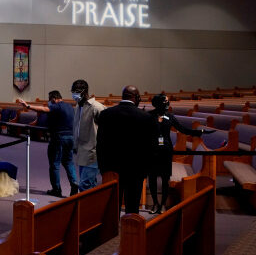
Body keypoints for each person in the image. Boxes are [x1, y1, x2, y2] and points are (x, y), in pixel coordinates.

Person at [147, 94, 214, 214]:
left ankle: (162, 205)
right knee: (151, 178)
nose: (168, 104)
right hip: (152, 151)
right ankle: (155, 203)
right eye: (165, 102)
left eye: (168, 102)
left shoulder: (170, 117)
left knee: (165, 178)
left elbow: (183, 129)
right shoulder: (149, 115)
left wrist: (200, 132)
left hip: (166, 151)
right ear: (158, 103)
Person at [97, 85, 157, 214]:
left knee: (112, 206)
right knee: (132, 207)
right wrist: (145, 170)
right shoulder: (146, 117)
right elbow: (150, 147)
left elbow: (100, 143)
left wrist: (103, 168)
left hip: (111, 169)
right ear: (135, 97)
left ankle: (112, 232)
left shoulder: (106, 114)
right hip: (136, 170)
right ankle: (131, 232)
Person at [17, 90, 79, 197]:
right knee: (69, 162)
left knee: (55, 164)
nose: (49, 102)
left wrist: (28, 106)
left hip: (58, 138)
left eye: (50, 100)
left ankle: (56, 189)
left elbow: (44, 109)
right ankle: (74, 184)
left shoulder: (57, 106)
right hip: (70, 137)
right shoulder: (69, 106)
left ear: (54, 98)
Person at [71, 79, 106, 192]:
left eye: (76, 91)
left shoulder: (96, 107)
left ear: (84, 91)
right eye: (73, 91)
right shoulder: (78, 107)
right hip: (81, 151)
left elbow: (106, 127)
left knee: (85, 185)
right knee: (91, 185)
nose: (74, 94)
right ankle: (94, 208)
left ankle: (86, 209)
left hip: (92, 152)